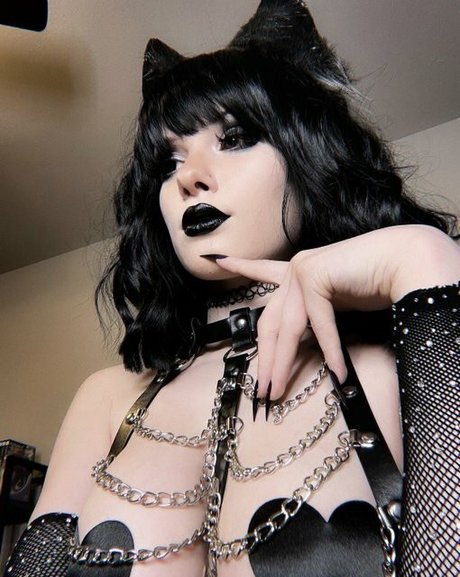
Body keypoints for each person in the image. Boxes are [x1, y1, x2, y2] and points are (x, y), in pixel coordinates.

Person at [4, 1, 459, 576]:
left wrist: (419, 255)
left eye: (236, 137)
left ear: (309, 155)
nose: (188, 177)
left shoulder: (389, 365)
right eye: (168, 161)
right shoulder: (105, 400)